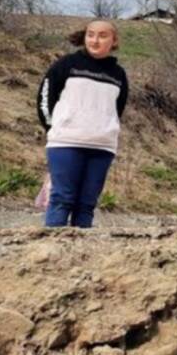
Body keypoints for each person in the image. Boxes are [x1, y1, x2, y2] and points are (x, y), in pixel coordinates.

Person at [35, 19, 129, 228]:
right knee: (62, 198)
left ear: (114, 41)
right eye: (91, 34)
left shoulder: (119, 74)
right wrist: (55, 129)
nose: (95, 40)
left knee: (86, 204)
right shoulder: (67, 64)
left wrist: (107, 129)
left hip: (102, 147)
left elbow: (117, 109)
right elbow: (45, 98)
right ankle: (52, 252)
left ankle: (81, 257)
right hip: (66, 142)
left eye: (103, 36)